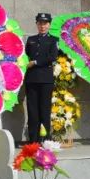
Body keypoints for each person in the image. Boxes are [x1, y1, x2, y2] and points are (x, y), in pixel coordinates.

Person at [24, 13, 59, 144]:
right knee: (32, 110)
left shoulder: (53, 40)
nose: (42, 26)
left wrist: (36, 62)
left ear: (49, 25)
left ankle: (44, 140)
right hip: (31, 79)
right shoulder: (31, 39)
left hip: (45, 80)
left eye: (45, 23)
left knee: (44, 110)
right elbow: (25, 55)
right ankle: (33, 140)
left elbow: (52, 57)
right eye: (40, 23)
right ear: (37, 24)